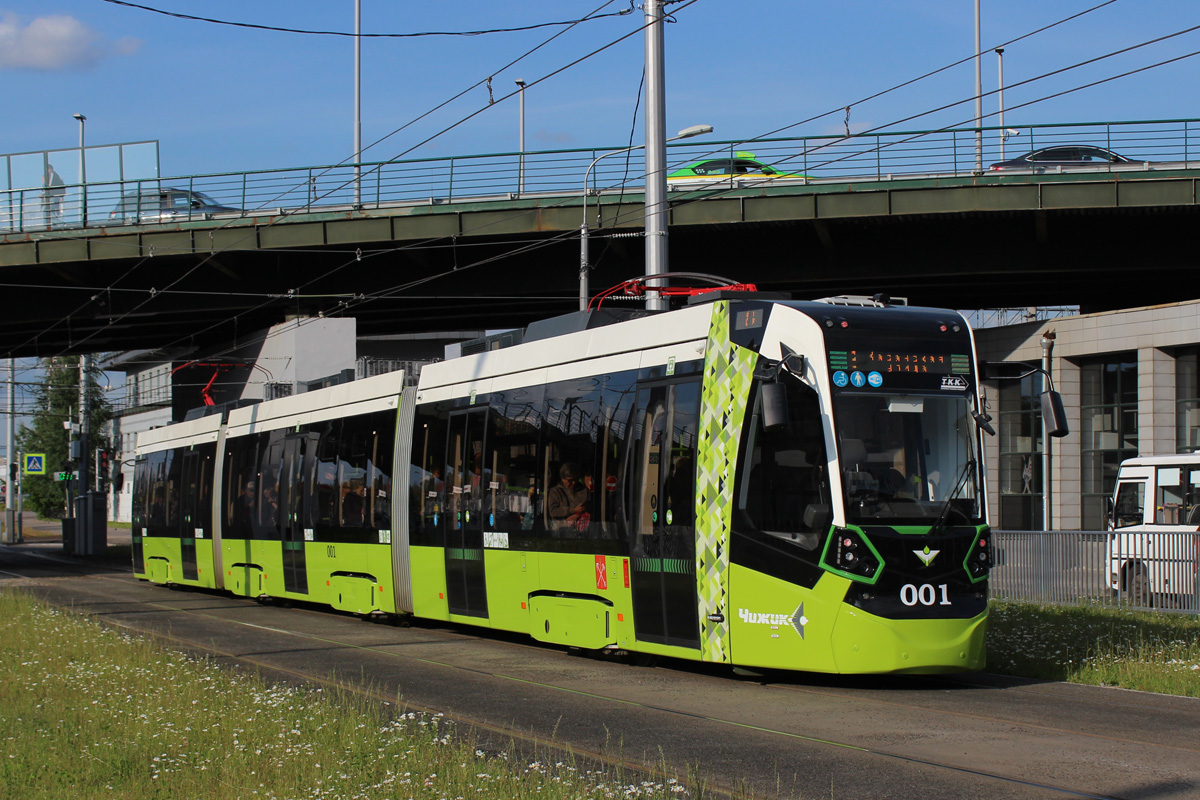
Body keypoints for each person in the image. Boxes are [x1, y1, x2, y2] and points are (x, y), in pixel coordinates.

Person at [547, 462, 589, 532]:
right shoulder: (555, 491)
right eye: (570, 480)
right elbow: (553, 511)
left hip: (581, 529)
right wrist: (573, 510)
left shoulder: (583, 490)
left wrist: (577, 515)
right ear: (562, 478)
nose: (574, 483)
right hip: (561, 530)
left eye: (576, 479)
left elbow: (588, 506)